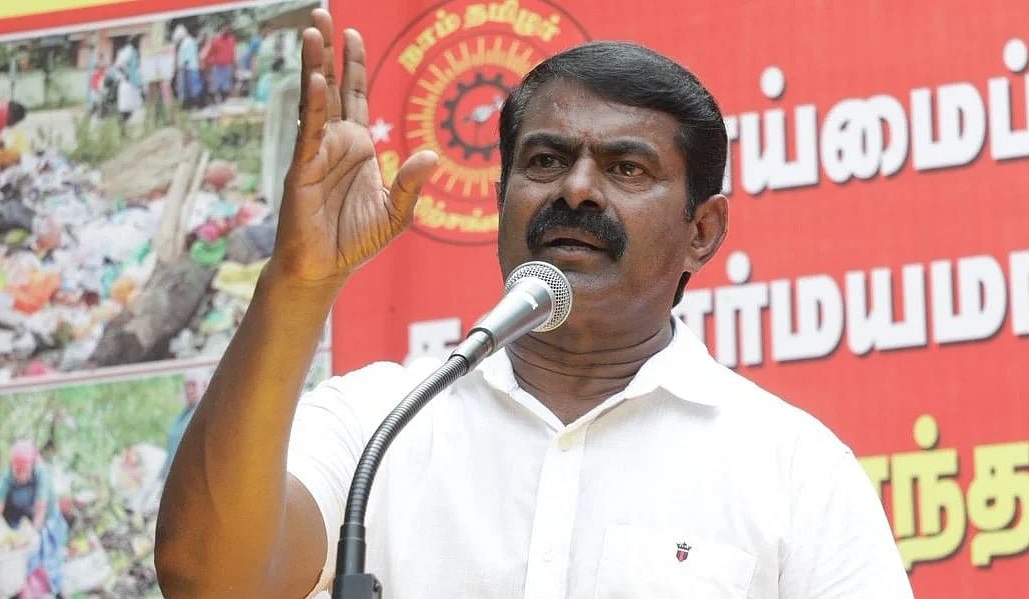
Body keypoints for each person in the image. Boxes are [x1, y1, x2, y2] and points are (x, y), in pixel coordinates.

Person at [155, 9, 913, 599]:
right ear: (501, 199)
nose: (576, 189)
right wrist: (299, 281)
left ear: (702, 232)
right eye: (546, 160)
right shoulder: (379, 421)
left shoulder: (791, 467)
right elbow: (212, 581)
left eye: (626, 168)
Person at [0, 440, 70, 595]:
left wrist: (32, 536)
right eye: (17, 470)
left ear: (31, 467)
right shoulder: (7, 478)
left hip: (46, 523)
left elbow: (40, 509)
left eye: (24, 470)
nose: (19, 475)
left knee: (49, 564)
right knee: (21, 567)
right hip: (23, 521)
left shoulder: (41, 474)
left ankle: (59, 592)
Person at [0, 98, 27, 170]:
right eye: (16, 122)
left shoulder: (1, 111)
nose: (13, 125)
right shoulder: (3, 117)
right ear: (13, 116)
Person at [204, 24, 237, 105]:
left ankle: (224, 103)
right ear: (222, 29)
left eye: (229, 30)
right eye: (225, 29)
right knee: (215, 86)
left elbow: (233, 52)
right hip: (217, 66)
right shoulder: (216, 39)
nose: (227, 31)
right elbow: (210, 52)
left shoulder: (231, 39)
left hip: (228, 66)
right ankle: (213, 103)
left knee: (226, 86)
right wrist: (207, 63)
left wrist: (234, 64)